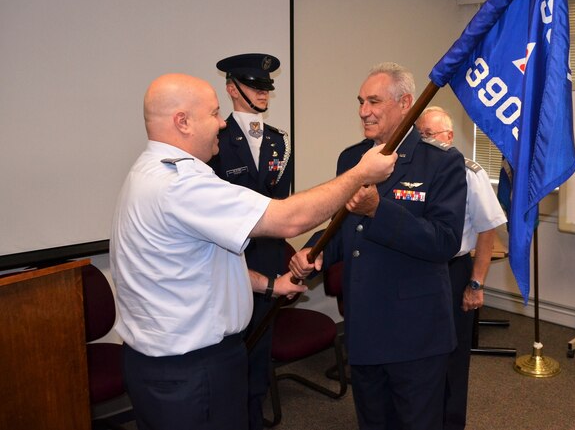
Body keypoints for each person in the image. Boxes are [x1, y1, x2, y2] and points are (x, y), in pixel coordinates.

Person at [109, 73, 397, 430]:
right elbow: (289, 219)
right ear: (182, 122)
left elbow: (198, 265)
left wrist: (268, 285)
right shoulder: (179, 184)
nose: (221, 123)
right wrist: (359, 174)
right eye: (214, 113)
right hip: (191, 370)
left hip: (170, 365)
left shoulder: (149, 172)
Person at [289, 63, 467, 430]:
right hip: (364, 325)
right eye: (360, 101)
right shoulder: (352, 158)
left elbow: (444, 242)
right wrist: (317, 250)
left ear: (405, 103)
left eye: (373, 101)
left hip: (415, 335)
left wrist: (379, 211)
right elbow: (343, 226)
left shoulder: (442, 163)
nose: (363, 111)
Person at [208, 53, 292, 430]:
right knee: (229, 355)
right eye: (255, 86)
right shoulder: (215, 142)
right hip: (229, 260)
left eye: (266, 88)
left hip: (270, 260)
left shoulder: (278, 142)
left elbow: (280, 206)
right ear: (232, 89)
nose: (263, 93)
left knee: (259, 352)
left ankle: (255, 419)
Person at [416, 106, 507, 430]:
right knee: (417, 354)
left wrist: (476, 284)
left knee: (454, 357)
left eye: (429, 135)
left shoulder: (470, 173)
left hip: (452, 272)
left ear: (449, 137)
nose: (423, 141)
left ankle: (450, 422)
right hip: (416, 272)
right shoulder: (411, 170)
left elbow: (487, 228)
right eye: (419, 135)